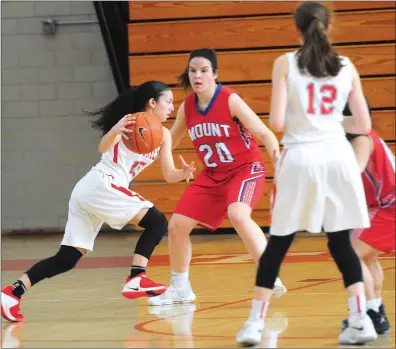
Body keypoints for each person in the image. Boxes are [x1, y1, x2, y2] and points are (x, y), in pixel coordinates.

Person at [236, 2, 378, 346]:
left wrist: (308, 119)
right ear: (329, 27)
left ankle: (255, 323)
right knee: (341, 242)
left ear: (297, 28)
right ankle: (361, 319)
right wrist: (330, 121)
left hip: (301, 157)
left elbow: (278, 123)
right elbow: (363, 125)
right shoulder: (347, 66)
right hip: (338, 158)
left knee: (280, 243)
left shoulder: (285, 63)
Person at [1, 81, 196, 322]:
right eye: (168, 102)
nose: (172, 107)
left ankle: (12, 293)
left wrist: (182, 173)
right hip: (102, 183)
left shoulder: (164, 134)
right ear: (152, 103)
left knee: (67, 259)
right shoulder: (130, 121)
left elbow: (168, 173)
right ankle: (136, 277)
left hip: (93, 190)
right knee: (157, 222)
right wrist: (115, 129)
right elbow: (102, 147)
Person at [148, 47, 287, 306]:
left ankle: (269, 273)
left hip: (246, 169)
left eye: (203, 71)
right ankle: (180, 288)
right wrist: (146, 144)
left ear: (215, 74)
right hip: (212, 176)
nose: (197, 76)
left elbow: (264, 133)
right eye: (192, 71)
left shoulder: (229, 99)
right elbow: (170, 139)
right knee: (177, 225)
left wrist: (276, 156)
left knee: (237, 214)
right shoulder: (187, 107)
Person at [341, 101, 394, 335]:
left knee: (350, 254)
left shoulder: (362, 140)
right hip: (380, 204)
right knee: (368, 257)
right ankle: (376, 309)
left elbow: (353, 174)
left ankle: (372, 313)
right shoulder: (358, 136)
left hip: (390, 206)